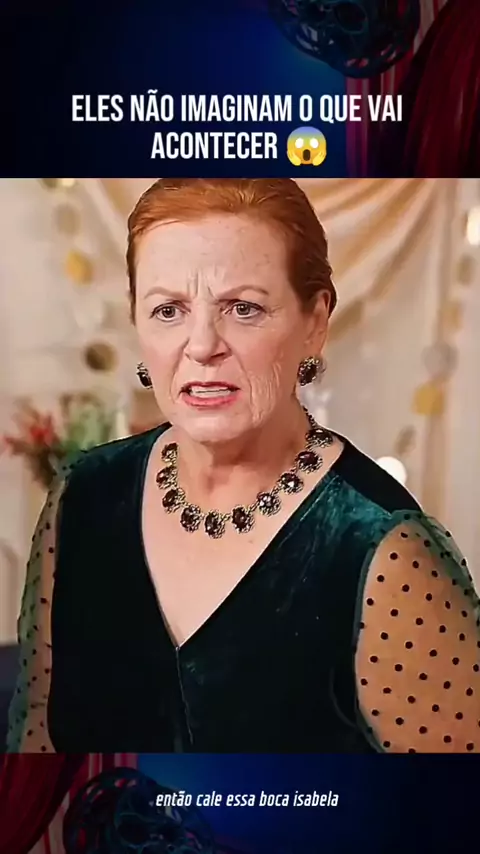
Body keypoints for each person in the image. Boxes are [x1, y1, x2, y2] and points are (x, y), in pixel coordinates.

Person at [7, 178, 480, 754]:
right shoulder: (82, 498)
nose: (202, 345)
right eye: (168, 310)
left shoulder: (386, 552)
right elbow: (36, 753)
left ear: (314, 322)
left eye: (243, 308)